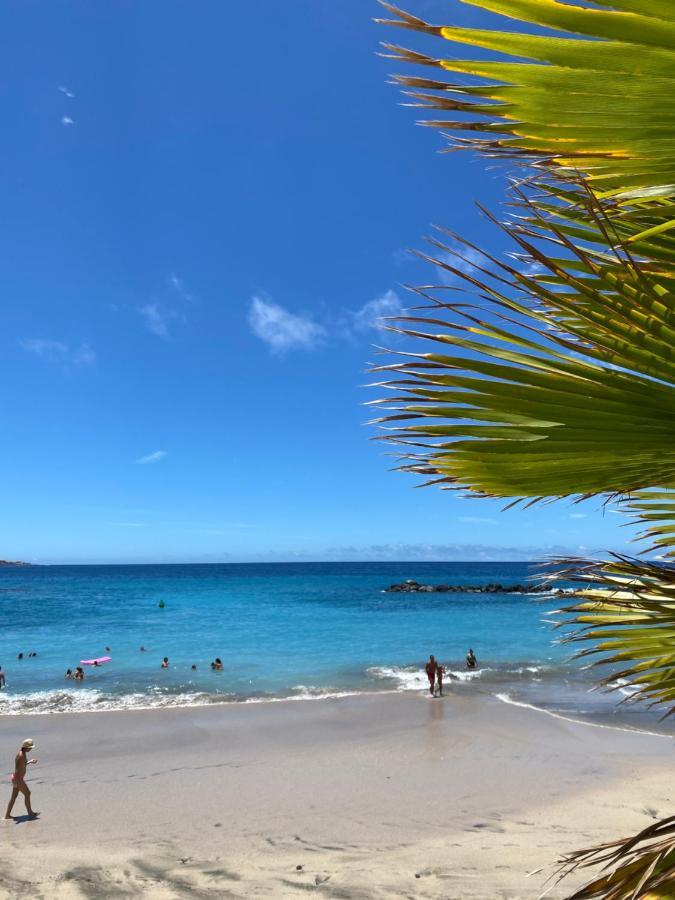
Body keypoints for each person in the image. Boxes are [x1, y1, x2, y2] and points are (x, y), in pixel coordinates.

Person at [4, 739, 38, 820]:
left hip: (16, 778)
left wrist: (30, 762)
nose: (31, 749)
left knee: (14, 797)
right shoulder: (21, 755)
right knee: (28, 794)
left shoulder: (22, 753)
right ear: (25, 747)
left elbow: (22, 765)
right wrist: (17, 781)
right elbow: (17, 769)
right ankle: (30, 813)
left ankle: (7, 815)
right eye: (30, 747)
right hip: (18, 779)